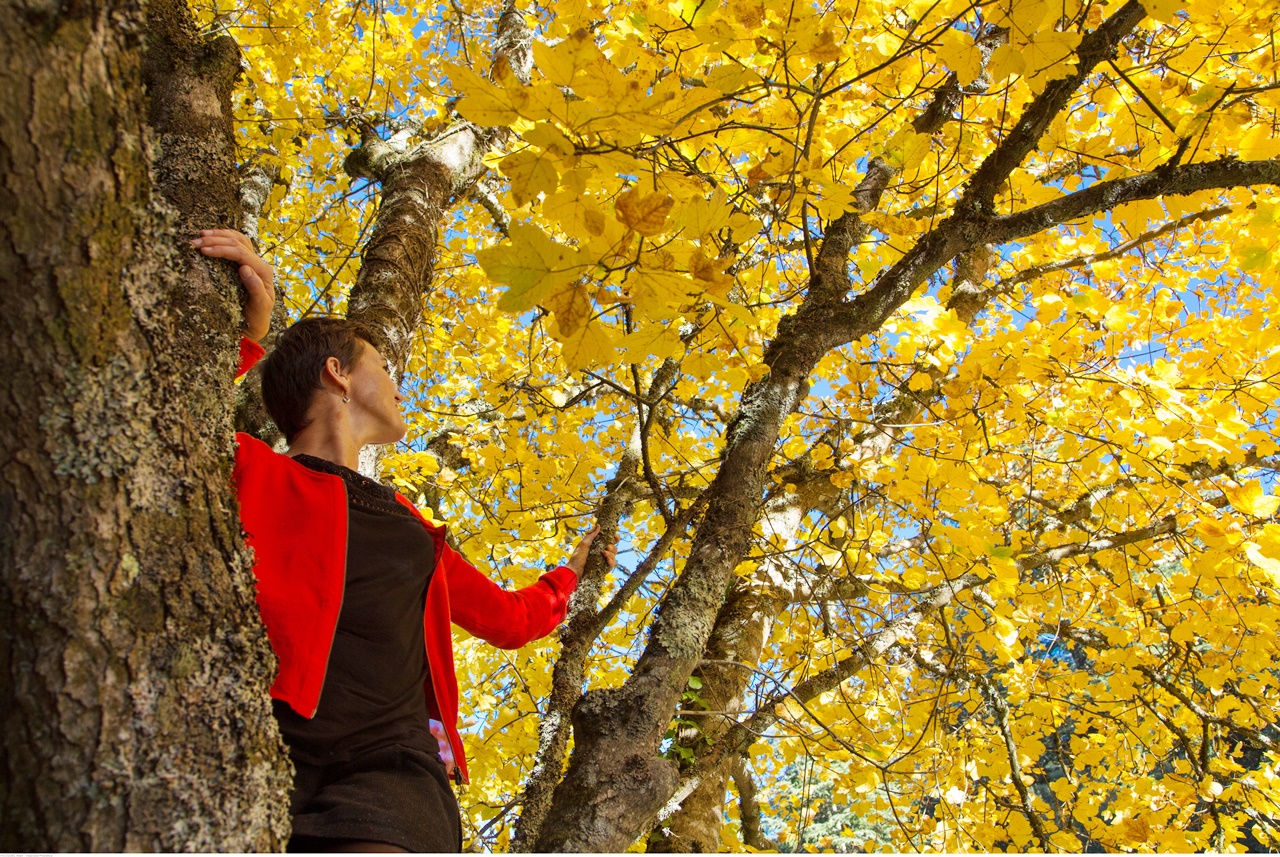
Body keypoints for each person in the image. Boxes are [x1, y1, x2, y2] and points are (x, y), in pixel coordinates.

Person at [193, 229, 616, 852]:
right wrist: (247, 335)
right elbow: (166, 417)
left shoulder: (415, 529)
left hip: (391, 776)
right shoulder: (251, 468)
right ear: (337, 374)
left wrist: (569, 575)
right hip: (248, 742)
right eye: (384, 368)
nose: (397, 385)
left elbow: (509, 619)